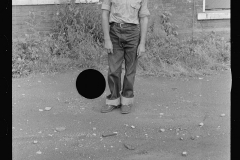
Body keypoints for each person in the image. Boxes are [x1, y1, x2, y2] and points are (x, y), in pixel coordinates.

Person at [101, 0, 150, 114]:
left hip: (133, 33)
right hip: (114, 32)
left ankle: (126, 101)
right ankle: (113, 100)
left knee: (130, 70)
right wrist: (107, 39)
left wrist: (142, 43)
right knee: (113, 69)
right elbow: (104, 14)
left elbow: (144, 19)